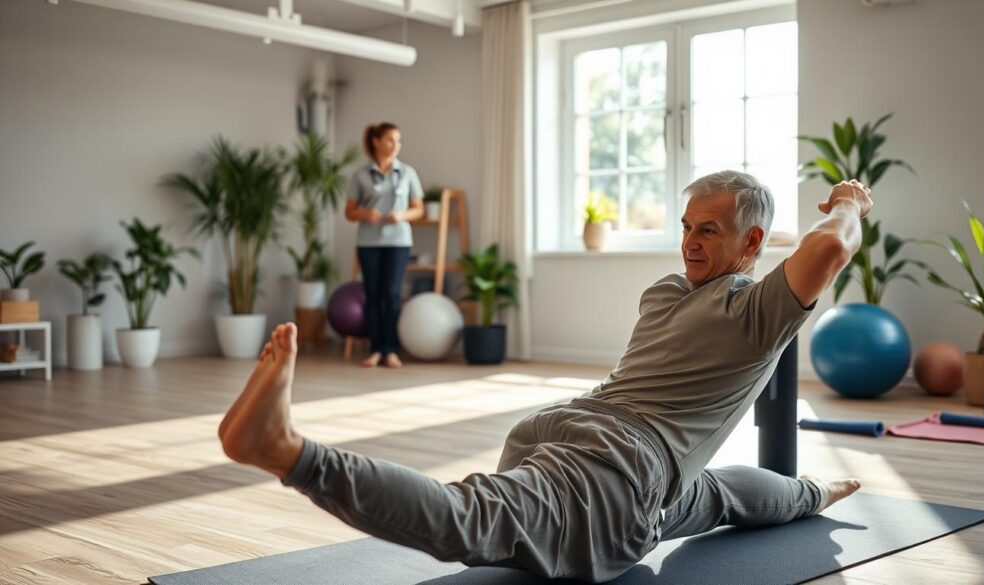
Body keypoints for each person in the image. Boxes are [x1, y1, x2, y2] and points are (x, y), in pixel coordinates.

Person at [219, 171, 870, 583]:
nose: (690, 242)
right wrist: (847, 201)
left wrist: (812, 494)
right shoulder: (744, 307)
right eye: (686, 227)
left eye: (709, 230)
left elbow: (732, 491)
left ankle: (811, 489)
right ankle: (285, 451)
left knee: (713, 496)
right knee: (469, 516)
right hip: (614, 475)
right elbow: (831, 245)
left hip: (567, 438)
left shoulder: (668, 294)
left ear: (752, 243)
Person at [344, 122, 424, 369]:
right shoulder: (360, 175)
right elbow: (349, 212)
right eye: (390, 140)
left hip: (398, 243)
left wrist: (401, 215)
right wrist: (366, 214)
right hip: (369, 243)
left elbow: (419, 209)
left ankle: (390, 350)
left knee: (390, 296)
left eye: (398, 141)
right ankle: (375, 349)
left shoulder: (407, 172)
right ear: (377, 142)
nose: (395, 145)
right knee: (373, 296)